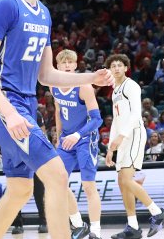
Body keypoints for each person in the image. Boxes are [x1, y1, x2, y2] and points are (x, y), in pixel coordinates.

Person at [0, 0, 114, 239]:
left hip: (25, 104)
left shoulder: (44, 14)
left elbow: (47, 75)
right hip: (4, 102)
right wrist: (9, 114)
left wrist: (91, 77)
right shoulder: (6, 5)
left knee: (20, 190)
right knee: (57, 175)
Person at [104, 54, 164, 239]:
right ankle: (133, 226)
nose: (116, 68)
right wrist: (111, 148)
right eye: (113, 66)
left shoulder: (130, 86)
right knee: (121, 182)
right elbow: (116, 122)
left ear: (126, 68)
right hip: (122, 137)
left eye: (119, 65)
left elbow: (135, 115)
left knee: (126, 179)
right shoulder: (115, 90)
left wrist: (122, 137)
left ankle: (157, 212)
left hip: (133, 134)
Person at [52, 49, 104, 239]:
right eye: (62, 63)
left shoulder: (84, 87)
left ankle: (95, 231)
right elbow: (58, 111)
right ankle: (77, 223)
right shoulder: (53, 86)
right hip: (66, 139)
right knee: (58, 182)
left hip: (85, 139)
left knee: (88, 185)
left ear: (75, 65)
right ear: (57, 66)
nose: (66, 66)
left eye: (70, 62)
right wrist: (58, 136)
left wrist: (76, 134)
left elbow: (97, 120)